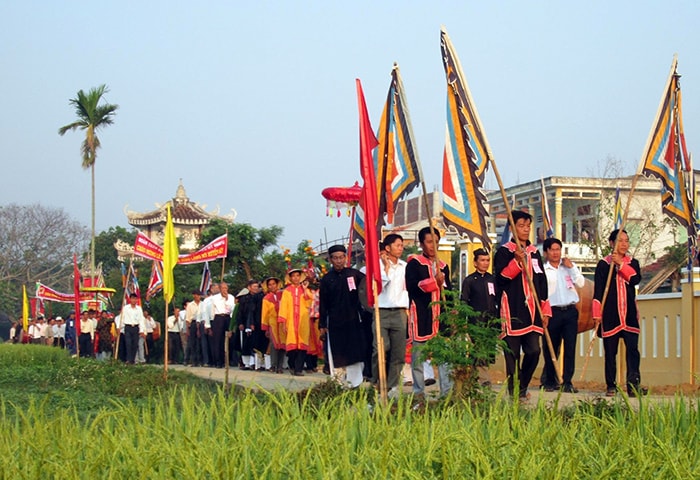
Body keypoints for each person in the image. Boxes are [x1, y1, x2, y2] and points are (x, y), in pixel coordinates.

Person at [494, 210, 551, 400]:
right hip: (512, 309)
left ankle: (522, 386)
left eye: (528, 226)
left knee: (534, 350)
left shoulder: (534, 253)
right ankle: (514, 392)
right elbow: (501, 279)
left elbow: (542, 282)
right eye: (521, 226)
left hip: (533, 311)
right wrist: (517, 262)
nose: (525, 230)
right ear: (512, 228)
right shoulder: (504, 252)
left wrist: (545, 309)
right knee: (513, 356)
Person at [592, 229, 646, 397]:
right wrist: (596, 314)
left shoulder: (632, 263)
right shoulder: (603, 264)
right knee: (610, 352)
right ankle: (611, 385)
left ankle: (633, 385)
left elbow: (635, 279)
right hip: (610, 315)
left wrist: (621, 265)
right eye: (620, 241)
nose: (624, 244)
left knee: (632, 351)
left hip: (629, 313)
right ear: (611, 243)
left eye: (626, 241)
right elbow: (598, 292)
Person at [406, 226, 452, 397]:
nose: (434, 246)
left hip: (440, 316)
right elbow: (412, 287)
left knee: (444, 357)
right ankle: (419, 392)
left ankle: (446, 392)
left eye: (437, 242)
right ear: (422, 244)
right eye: (430, 242)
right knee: (418, 357)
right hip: (421, 314)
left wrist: (452, 310)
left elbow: (449, 290)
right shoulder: (414, 264)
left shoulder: (443, 266)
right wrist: (434, 282)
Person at [319, 245, 370, 388]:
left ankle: (355, 384)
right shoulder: (326, 279)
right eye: (335, 258)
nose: (339, 261)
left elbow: (368, 288)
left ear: (346, 258)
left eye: (341, 257)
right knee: (337, 353)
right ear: (330, 259)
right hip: (334, 322)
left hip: (354, 319)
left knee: (355, 352)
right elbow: (323, 303)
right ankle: (337, 384)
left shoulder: (355, 274)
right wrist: (322, 324)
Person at [541, 237, 585, 393]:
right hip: (552, 312)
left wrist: (572, 267)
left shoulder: (568, 267)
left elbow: (581, 283)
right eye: (552, 250)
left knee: (570, 347)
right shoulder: (543, 270)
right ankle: (549, 380)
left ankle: (567, 381)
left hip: (570, 311)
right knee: (551, 347)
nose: (555, 253)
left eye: (558, 249)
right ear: (546, 252)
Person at [372, 234, 409, 397]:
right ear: (388, 248)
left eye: (402, 246)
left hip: (400, 312)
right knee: (380, 348)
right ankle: (377, 381)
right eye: (398, 245)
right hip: (382, 311)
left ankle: (393, 386)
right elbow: (379, 287)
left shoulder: (405, 267)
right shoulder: (377, 266)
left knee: (398, 351)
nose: (401, 248)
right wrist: (386, 268)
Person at [460, 247, 499, 385]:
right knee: (478, 349)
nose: (485, 263)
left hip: (490, 321)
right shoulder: (470, 280)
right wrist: (464, 320)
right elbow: (463, 301)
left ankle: (474, 377)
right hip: (475, 321)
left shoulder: (492, 279)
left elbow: (497, 300)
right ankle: (484, 379)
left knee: (487, 351)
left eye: (487, 260)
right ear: (475, 262)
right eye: (482, 260)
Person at [279, 268, 314, 376]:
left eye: (297, 276)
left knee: (302, 345)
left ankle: (298, 369)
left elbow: (310, 302)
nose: (295, 278)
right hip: (290, 321)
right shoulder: (287, 291)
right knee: (292, 347)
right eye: (293, 276)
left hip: (302, 321)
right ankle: (292, 365)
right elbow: (283, 307)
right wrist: (283, 323)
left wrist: (304, 290)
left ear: (300, 277)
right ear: (290, 278)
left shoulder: (305, 290)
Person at [237, 280, 266, 370]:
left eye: (257, 287)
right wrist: (241, 323)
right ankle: (246, 363)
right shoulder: (244, 299)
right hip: (246, 323)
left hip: (257, 323)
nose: (256, 288)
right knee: (246, 344)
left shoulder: (261, 297)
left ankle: (257, 364)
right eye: (254, 287)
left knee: (257, 343)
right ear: (249, 287)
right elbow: (240, 312)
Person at [261, 276, 286, 373]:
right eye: (269, 285)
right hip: (272, 324)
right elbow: (264, 314)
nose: (272, 286)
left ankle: (280, 366)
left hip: (282, 323)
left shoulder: (283, 295)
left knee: (283, 345)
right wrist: (265, 328)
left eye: (273, 284)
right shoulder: (266, 298)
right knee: (274, 345)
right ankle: (273, 365)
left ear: (277, 284)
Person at [209, 282, 235, 368]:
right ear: (220, 289)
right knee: (218, 340)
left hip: (227, 317)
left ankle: (227, 360)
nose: (225, 290)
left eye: (226, 288)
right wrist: (209, 324)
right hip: (218, 318)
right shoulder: (215, 298)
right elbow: (212, 311)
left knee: (229, 340)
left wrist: (227, 299)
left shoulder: (231, 297)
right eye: (223, 288)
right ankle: (218, 361)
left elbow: (232, 309)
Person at [120, 293, 146, 364]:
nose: (134, 300)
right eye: (132, 299)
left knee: (135, 344)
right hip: (128, 327)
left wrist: (141, 330)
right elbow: (122, 318)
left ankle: (133, 360)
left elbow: (141, 320)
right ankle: (128, 359)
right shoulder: (126, 308)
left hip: (135, 327)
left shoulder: (139, 309)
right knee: (128, 343)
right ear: (130, 299)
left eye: (135, 299)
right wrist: (121, 328)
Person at [184, 290, 203, 366]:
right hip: (193, 323)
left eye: (198, 295)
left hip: (201, 323)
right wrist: (187, 329)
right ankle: (194, 361)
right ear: (193, 296)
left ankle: (200, 360)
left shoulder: (203, 304)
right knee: (193, 343)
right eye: (196, 295)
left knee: (200, 343)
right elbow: (188, 318)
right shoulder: (190, 305)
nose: (197, 296)